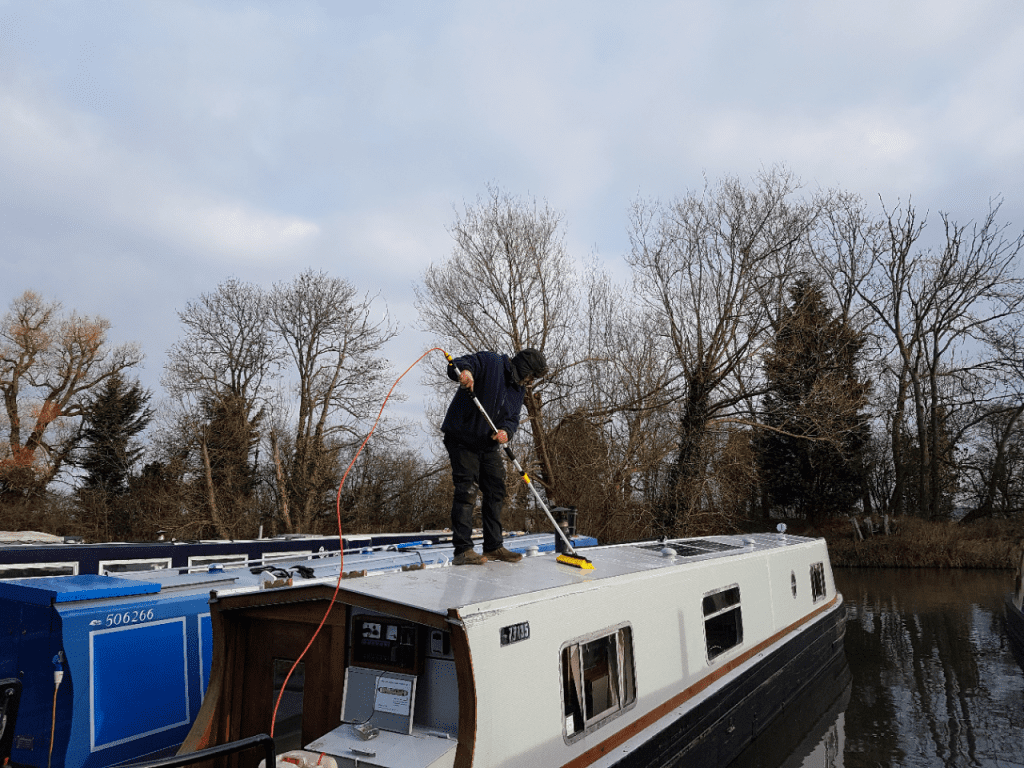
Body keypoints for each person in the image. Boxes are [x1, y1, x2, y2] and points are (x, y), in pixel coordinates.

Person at [441, 348, 548, 565]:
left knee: (496, 489)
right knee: (467, 489)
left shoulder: (517, 390)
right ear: (524, 368)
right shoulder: (491, 362)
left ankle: (493, 546)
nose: (529, 381)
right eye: (531, 376)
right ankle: (463, 551)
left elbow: (512, 418)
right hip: (462, 438)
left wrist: (506, 431)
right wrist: (466, 374)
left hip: (487, 445)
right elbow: (460, 364)